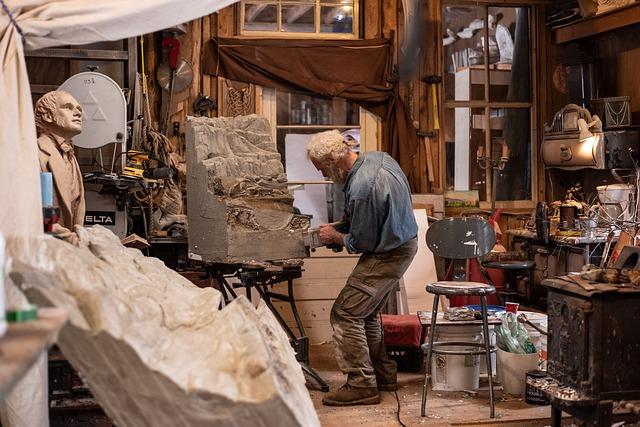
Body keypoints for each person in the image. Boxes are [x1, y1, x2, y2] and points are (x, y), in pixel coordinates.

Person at [306, 129, 418, 406]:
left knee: (345, 313)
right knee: (364, 314)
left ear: (333, 159)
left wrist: (336, 237)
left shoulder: (361, 188)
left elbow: (363, 241)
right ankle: (383, 376)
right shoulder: (379, 158)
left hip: (388, 253)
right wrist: (342, 224)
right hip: (403, 243)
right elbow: (371, 217)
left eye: (321, 168)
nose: (322, 175)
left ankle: (361, 384)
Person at [35, 90, 85, 244]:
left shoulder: (70, 157)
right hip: (46, 251)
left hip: (69, 252)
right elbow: (42, 217)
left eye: (79, 109)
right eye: (68, 107)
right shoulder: (36, 154)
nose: (77, 113)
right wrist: (75, 241)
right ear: (48, 116)